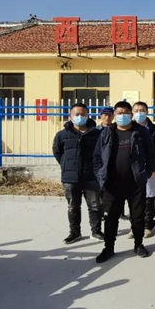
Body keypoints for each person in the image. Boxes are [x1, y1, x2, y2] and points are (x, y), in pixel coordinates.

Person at [93, 101, 155, 263]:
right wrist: (101, 175)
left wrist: (145, 173)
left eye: (126, 113)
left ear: (131, 114)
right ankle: (108, 248)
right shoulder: (107, 132)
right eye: (119, 113)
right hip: (112, 184)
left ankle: (138, 245)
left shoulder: (140, 131)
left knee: (138, 217)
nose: (123, 116)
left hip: (135, 183)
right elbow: (97, 156)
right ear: (114, 114)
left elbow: (152, 154)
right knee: (111, 218)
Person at [53, 103, 103, 244]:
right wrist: (67, 165)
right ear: (70, 116)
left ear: (88, 116)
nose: (80, 117)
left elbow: (101, 153)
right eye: (77, 114)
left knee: (95, 205)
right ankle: (75, 233)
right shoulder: (62, 135)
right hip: (70, 177)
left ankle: (96, 231)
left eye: (83, 114)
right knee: (73, 206)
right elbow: (58, 153)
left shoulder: (96, 134)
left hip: (91, 176)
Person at [131, 101, 155, 239]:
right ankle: (135, 226)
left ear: (147, 112)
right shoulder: (128, 128)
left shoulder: (154, 129)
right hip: (132, 168)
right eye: (136, 110)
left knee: (149, 198)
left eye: (142, 110)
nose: (139, 113)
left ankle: (148, 225)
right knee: (134, 199)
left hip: (149, 168)